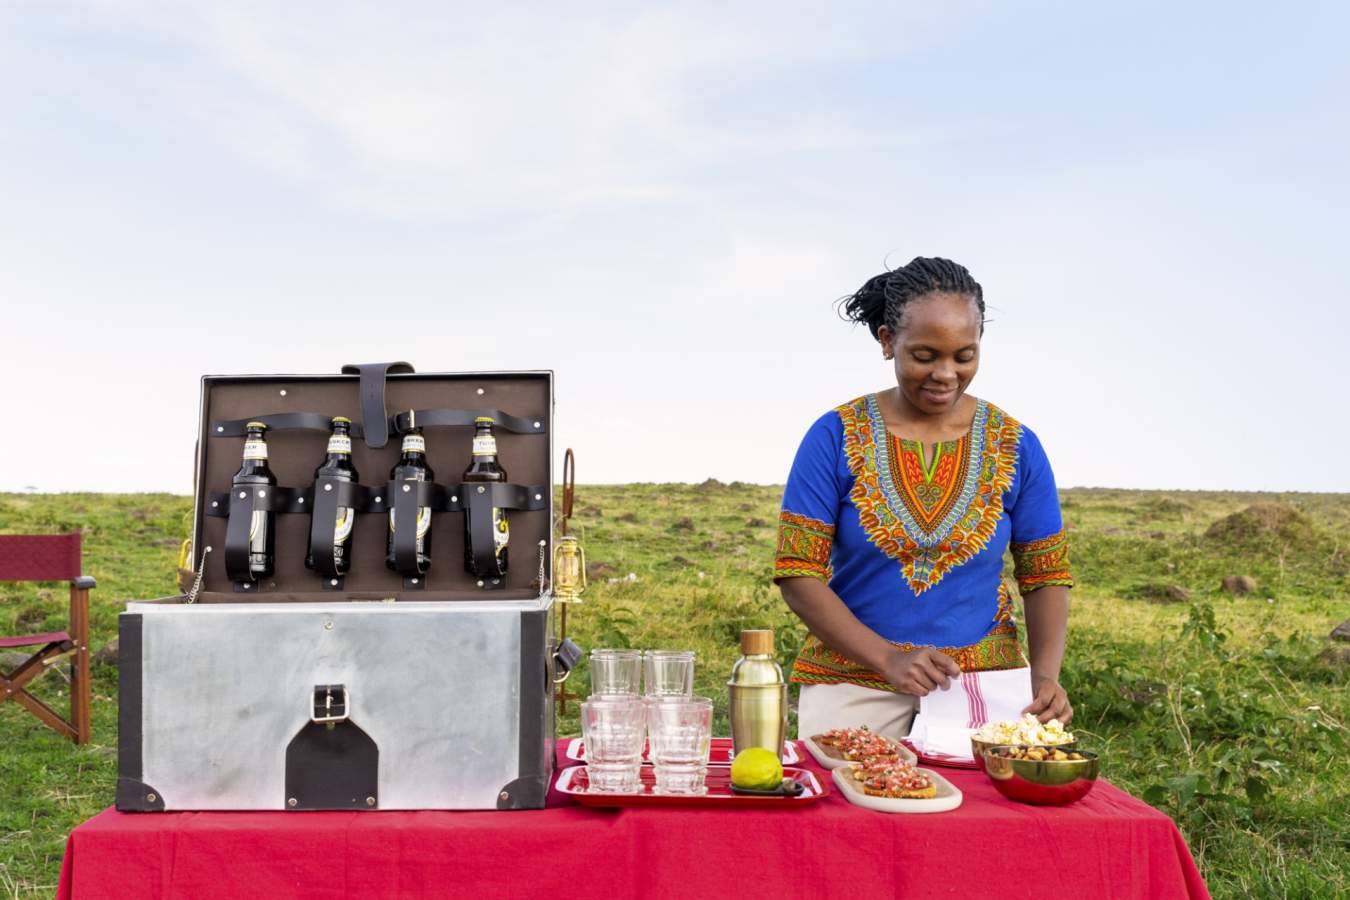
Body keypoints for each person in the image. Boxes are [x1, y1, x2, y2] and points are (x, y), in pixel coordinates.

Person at [774, 257, 1074, 741]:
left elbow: (1046, 575)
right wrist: (887, 658)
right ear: (888, 340)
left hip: (984, 691)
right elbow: (797, 572)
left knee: (985, 816)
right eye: (925, 355)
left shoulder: (1016, 445)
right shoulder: (834, 436)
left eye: (964, 356)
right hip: (854, 684)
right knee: (847, 810)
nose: (945, 374)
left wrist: (1043, 678)